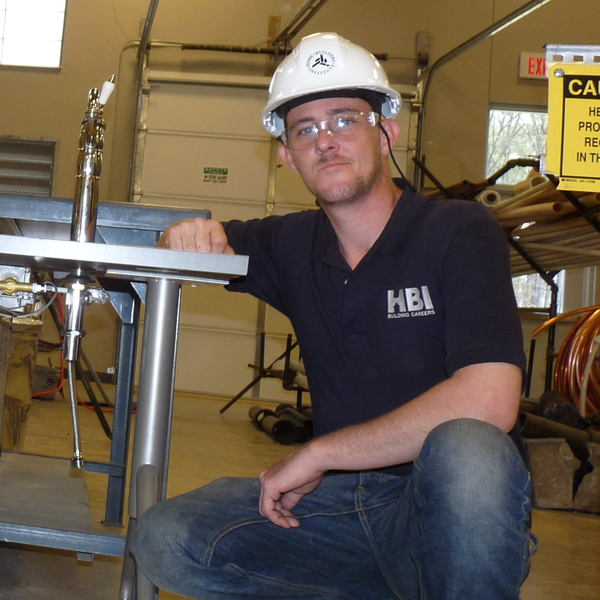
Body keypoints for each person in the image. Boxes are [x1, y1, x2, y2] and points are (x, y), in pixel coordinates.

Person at [131, 32, 533, 600]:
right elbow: (194, 245)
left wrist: (320, 452)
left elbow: (490, 400)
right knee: (166, 538)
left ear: (387, 133)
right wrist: (182, 234)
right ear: (287, 156)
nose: (326, 141)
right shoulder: (289, 244)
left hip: (440, 511)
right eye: (305, 129)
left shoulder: (458, 230)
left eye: (345, 119)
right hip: (334, 513)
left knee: (470, 448)